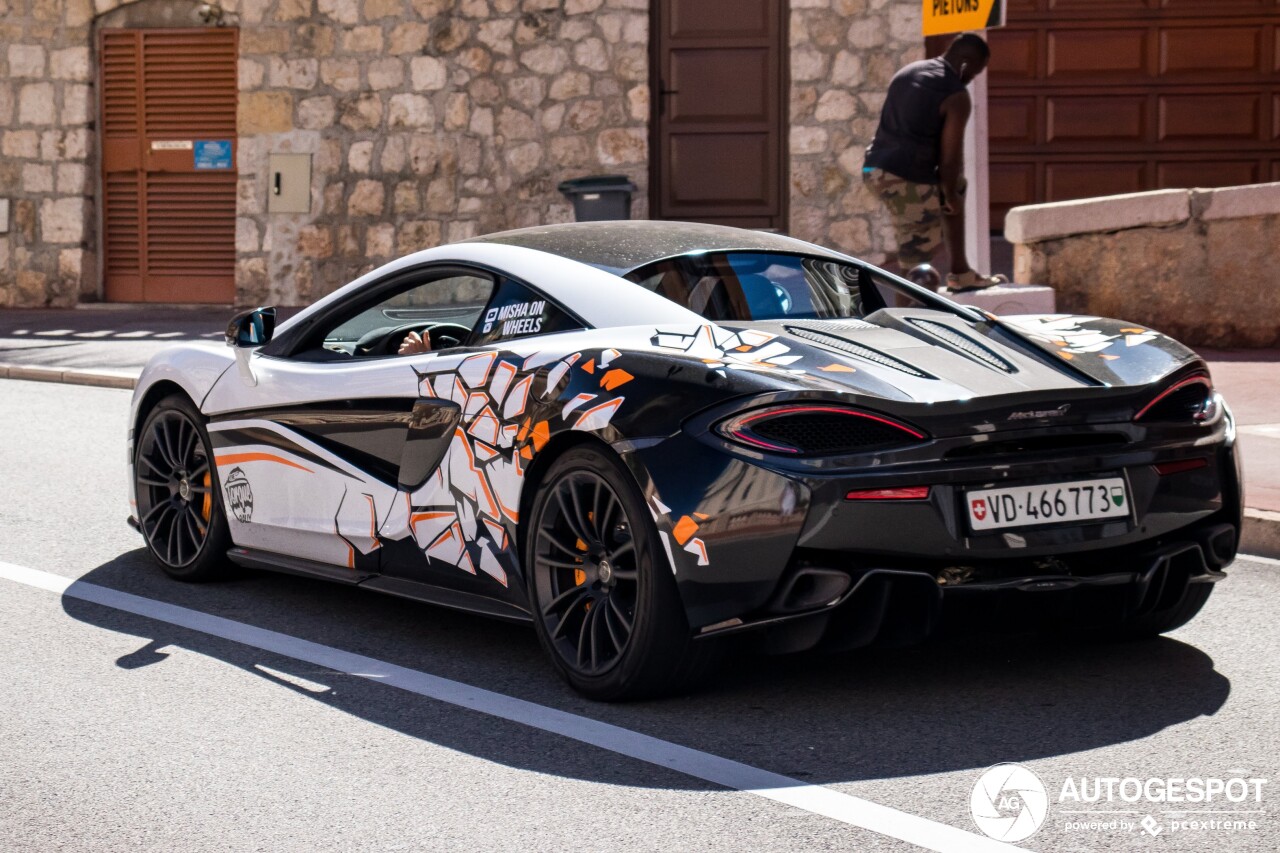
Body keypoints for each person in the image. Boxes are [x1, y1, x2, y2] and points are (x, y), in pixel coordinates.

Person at [862, 32, 1007, 292]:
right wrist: (949, 195)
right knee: (916, 261)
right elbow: (949, 158)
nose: (971, 79)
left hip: (874, 168)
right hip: (905, 179)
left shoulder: (908, 72)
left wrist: (951, 191)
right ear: (964, 63)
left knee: (955, 187)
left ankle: (961, 274)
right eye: (974, 72)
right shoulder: (955, 96)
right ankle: (908, 322)